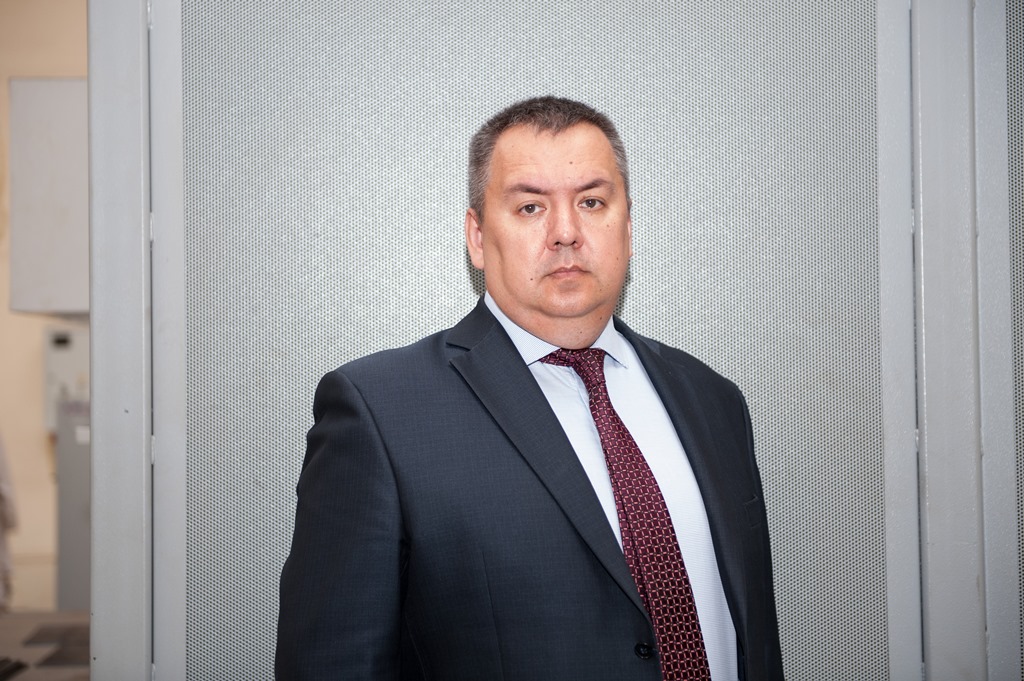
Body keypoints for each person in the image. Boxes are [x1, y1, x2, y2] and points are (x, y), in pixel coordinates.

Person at [276, 96, 783, 680]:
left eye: (591, 202)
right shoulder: (381, 415)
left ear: (627, 227)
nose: (566, 233)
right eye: (530, 207)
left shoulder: (714, 401)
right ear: (476, 236)